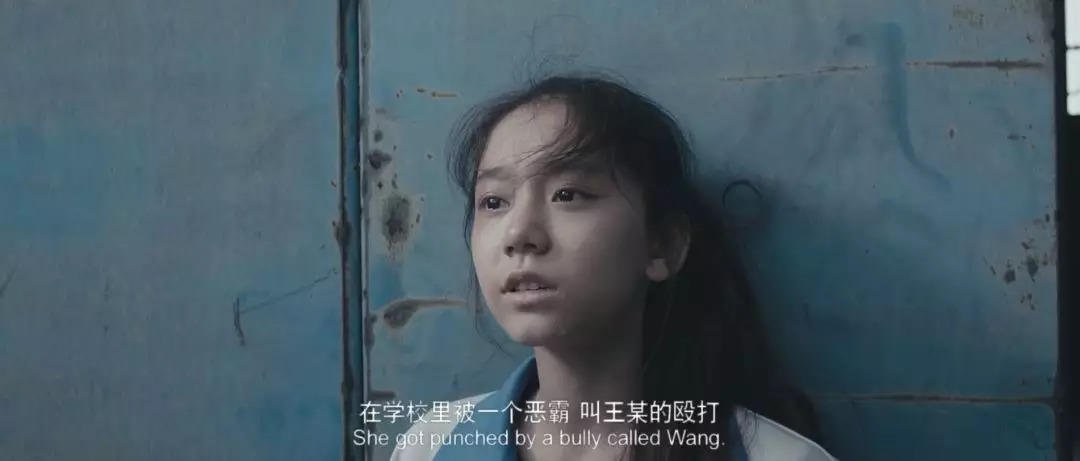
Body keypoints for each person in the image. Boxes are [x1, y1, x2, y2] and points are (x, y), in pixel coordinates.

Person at [390, 74, 837, 461]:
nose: (519, 233)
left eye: (568, 194)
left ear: (662, 245)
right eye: (493, 202)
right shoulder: (432, 446)